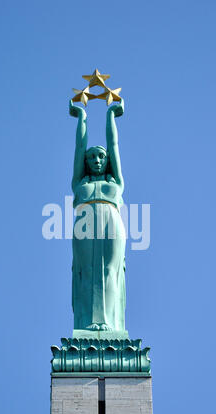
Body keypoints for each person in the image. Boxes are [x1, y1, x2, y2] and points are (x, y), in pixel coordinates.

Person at [70, 98, 126, 332]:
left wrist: (110, 116)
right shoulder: (79, 182)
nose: (96, 160)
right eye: (92, 157)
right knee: (86, 272)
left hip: (112, 221)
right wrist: (82, 117)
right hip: (84, 222)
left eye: (101, 157)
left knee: (109, 271)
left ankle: (108, 322)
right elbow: (79, 148)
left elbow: (113, 145)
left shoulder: (117, 182)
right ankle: (89, 321)